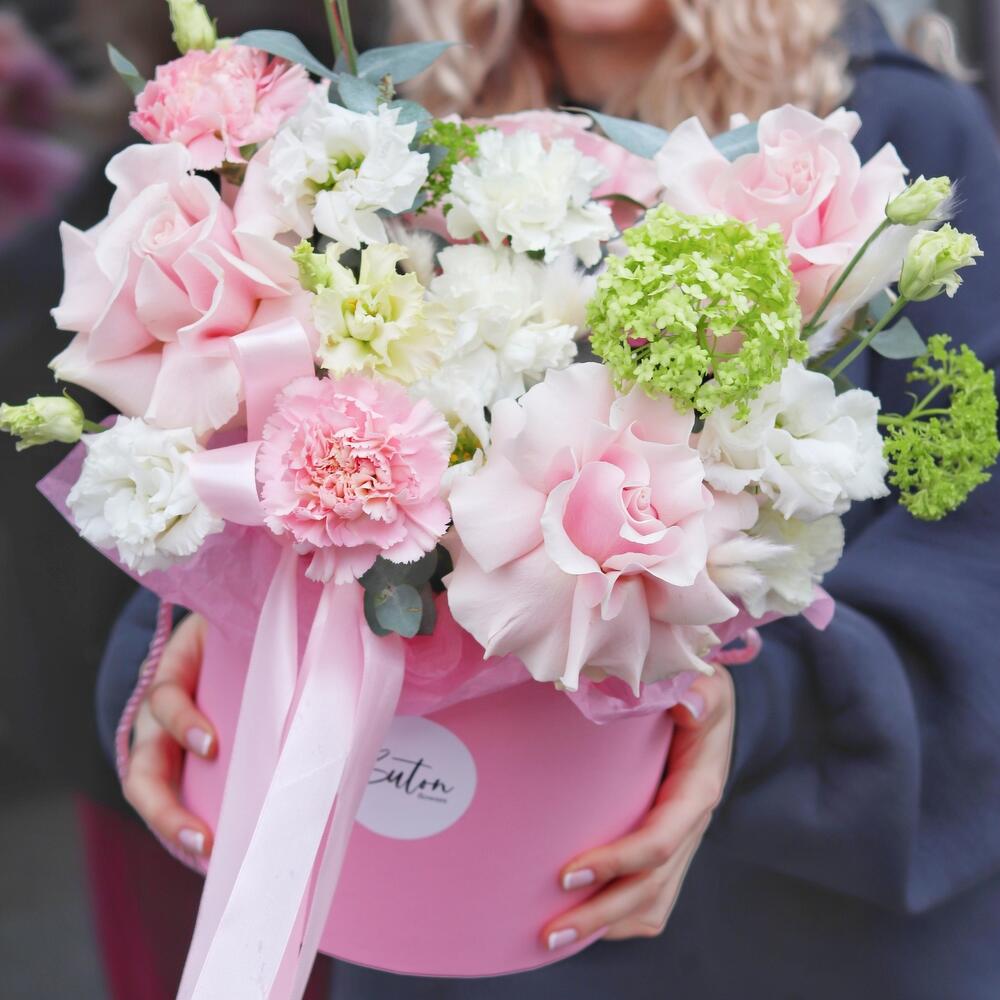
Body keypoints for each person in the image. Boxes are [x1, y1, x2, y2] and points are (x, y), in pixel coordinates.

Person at [98, 1, 1000, 997]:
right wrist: (215, 631)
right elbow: (267, 438)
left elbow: (980, 561)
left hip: (773, 938)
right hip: (447, 920)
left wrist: (743, 702)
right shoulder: (394, 139)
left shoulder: (883, 140)